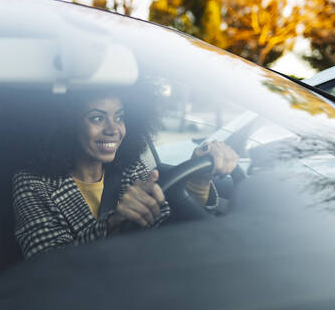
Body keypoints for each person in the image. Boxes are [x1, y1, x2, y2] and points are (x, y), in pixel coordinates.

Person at [13, 89, 238, 259]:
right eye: (97, 118)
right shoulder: (33, 184)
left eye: (119, 117)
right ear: (66, 124)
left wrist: (198, 181)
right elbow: (47, 268)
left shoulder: (130, 167)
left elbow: (172, 233)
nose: (114, 129)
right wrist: (113, 222)